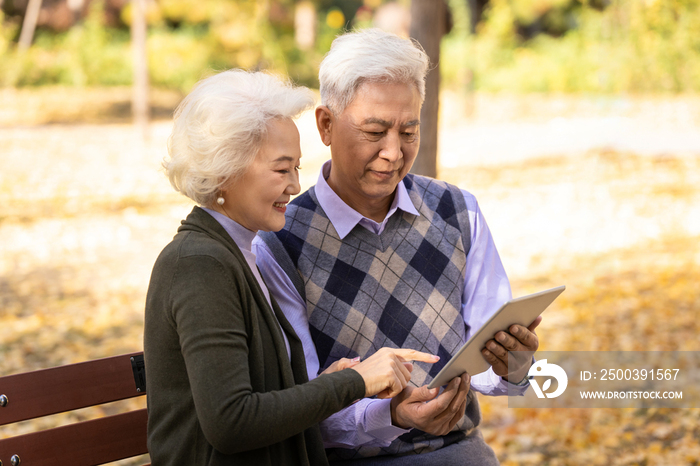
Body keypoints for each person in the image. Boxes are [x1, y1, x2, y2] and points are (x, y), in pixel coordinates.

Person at [254, 29, 540, 465]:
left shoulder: (456, 210)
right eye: (375, 131)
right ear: (326, 125)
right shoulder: (280, 242)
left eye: (409, 130)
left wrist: (511, 365)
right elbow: (299, 407)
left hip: (460, 452)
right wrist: (392, 415)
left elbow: (490, 369)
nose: (394, 152)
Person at [143, 69, 440, 466]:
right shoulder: (200, 265)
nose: (295, 185)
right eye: (282, 170)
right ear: (224, 171)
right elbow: (231, 423)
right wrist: (355, 380)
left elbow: (257, 397)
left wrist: (331, 384)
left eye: (297, 168)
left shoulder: (239, 252)